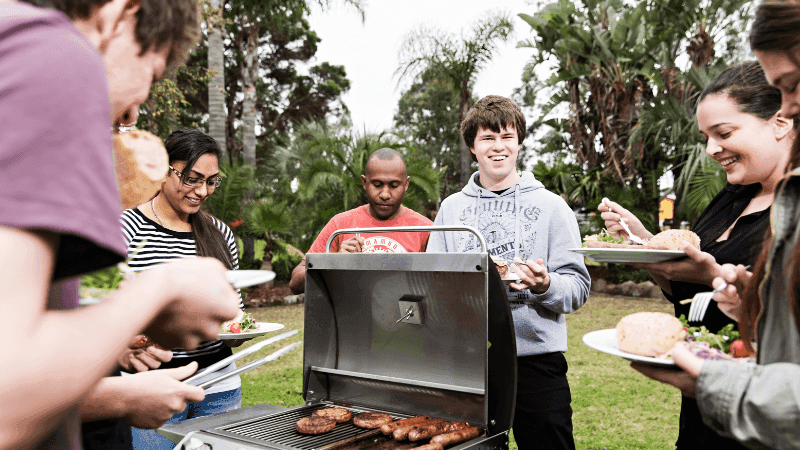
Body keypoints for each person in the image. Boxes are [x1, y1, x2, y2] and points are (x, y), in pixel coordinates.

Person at [0, 1, 241, 450]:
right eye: (152, 74)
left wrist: (112, 349)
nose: (131, 116)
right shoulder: (53, 52)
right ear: (121, 14)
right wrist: (160, 288)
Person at [600, 60, 796, 450]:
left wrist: (713, 277)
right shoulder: (732, 196)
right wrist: (647, 245)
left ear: (780, 122)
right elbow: (682, 294)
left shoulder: (793, 212)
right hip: (703, 407)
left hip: (766, 414)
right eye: (706, 135)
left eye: (723, 133)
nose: (710, 149)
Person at [426, 95, 590, 450]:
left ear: (519, 142)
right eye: (487, 138)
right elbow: (432, 282)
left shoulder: (552, 207)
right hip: (469, 361)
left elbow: (578, 287)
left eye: (507, 137)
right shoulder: (452, 209)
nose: (498, 147)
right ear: (472, 146)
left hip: (537, 360)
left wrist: (545, 284)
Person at [120, 128, 249, 449]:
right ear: (165, 171)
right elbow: (104, 306)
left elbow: (237, 310)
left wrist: (239, 325)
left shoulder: (219, 233)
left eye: (211, 181)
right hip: (152, 387)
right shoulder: (127, 227)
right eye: (191, 178)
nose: (202, 191)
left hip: (218, 384)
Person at [289, 147, 433, 294]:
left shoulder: (426, 229)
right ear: (364, 182)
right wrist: (334, 263)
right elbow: (295, 282)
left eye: (394, 185)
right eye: (377, 185)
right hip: (349, 316)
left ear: (406, 184)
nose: (384, 194)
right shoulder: (340, 224)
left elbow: (442, 286)